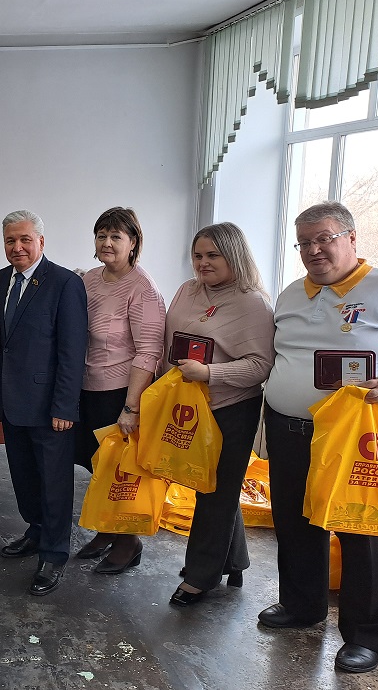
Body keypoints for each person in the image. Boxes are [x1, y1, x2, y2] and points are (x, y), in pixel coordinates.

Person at [259, 201, 378, 673]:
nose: (314, 250)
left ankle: (368, 635)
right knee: (297, 521)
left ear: (352, 238)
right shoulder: (292, 294)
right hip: (290, 428)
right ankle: (302, 605)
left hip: (362, 434)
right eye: (304, 243)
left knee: (368, 530)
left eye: (325, 238)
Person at [163, 223, 274, 606]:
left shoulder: (252, 303)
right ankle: (234, 560)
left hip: (231, 409)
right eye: (198, 255)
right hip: (188, 406)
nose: (203, 263)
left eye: (213, 255)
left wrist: (211, 373)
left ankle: (200, 577)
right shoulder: (187, 290)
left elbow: (260, 365)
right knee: (211, 487)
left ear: (234, 256)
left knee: (216, 491)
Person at [0, 210, 87, 595]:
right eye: (10, 240)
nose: (17, 247)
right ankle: (36, 530)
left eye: (25, 239)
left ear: (41, 242)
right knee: (24, 476)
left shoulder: (65, 283)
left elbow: (72, 351)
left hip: (49, 407)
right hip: (11, 401)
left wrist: (65, 406)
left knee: (54, 483)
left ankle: (54, 553)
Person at [74, 207, 165, 574]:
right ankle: (107, 529)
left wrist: (131, 407)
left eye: (116, 236)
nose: (107, 243)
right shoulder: (89, 280)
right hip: (86, 387)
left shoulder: (143, 289)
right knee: (98, 464)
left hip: (120, 392)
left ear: (133, 242)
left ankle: (128, 541)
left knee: (122, 470)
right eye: (101, 236)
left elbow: (149, 351)